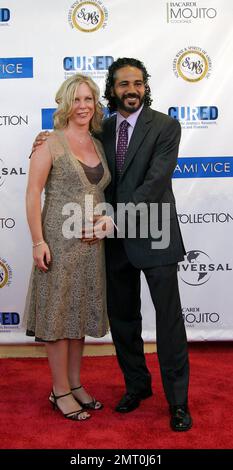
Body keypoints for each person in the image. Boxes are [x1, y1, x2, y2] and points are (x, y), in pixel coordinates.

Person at [32, 57, 192, 431]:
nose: (131, 90)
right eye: (123, 84)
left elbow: (154, 184)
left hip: (154, 234)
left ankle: (178, 402)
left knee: (169, 323)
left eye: (137, 83)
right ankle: (137, 386)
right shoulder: (99, 128)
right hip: (113, 242)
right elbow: (71, 143)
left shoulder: (166, 126)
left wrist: (115, 219)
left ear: (145, 86)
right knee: (123, 321)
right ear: (113, 89)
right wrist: (46, 138)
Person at [24, 73, 111, 421]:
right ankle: (59, 391)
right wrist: (37, 241)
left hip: (91, 248)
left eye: (88, 99)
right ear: (65, 103)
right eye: (76, 99)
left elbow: (100, 192)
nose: (83, 106)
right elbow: (33, 193)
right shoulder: (50, 143)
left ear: (96, 104)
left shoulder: (99, 144)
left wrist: (106, 220)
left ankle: (75, 384)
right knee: (58, 318)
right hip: (58, 244)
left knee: (79, 316)